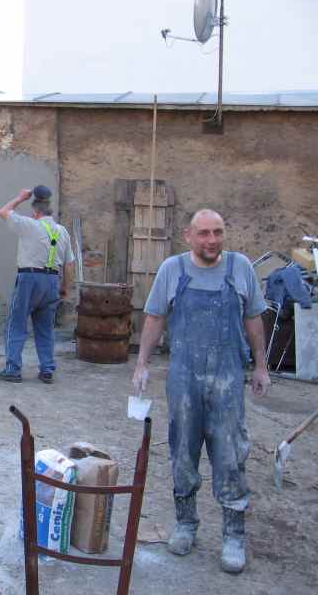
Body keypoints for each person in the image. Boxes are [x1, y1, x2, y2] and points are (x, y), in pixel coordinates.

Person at [132, 209, 271, 574]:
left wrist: (260, 366)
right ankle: (186, 523)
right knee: (182, 451)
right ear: (188, 236)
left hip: (227, 380)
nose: (212, 240)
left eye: (218, 232)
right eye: (205, 233)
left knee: (230, 455)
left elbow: (253, 319)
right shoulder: (172, 270)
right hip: (184, 378)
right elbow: (155, 318)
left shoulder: (240, 268)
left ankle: (233, 535)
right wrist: (142, 363)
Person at [0, 185, 74, 384]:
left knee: (16, 324)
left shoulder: (29, 224)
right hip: (52, 281)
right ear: (49, 211)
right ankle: (47, 370)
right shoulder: (62, 231)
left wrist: (20, 197)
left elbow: (3, 211)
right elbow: (69, 264)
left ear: (36, 212)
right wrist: (65, 287)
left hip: (29, 279)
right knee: (45, 328)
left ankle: (13, 369)